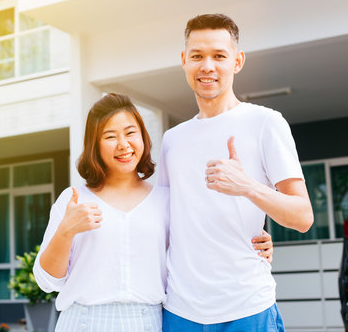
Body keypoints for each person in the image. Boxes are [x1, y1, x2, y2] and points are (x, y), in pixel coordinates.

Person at [33, 93, 274, 332]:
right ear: (94, 145)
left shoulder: (166, 200)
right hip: (83, 321)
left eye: (130, 133)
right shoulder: (74, 199)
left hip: (148, 321)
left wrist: (252, 240)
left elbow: (201, 244)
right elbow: (48, 281)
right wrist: (65, 232)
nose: (123, 145)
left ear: (143, 137)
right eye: (110, 136)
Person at [158, 14, 314, 331]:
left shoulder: (266, 123)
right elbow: (163, 219)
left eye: (219, 56)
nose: (207, 66)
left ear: (237, 61)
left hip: (247, 307)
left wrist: (247, 187)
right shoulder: (172, 140)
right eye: (197, 56)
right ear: (184, 61)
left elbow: (302, 216)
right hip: (180, 310)